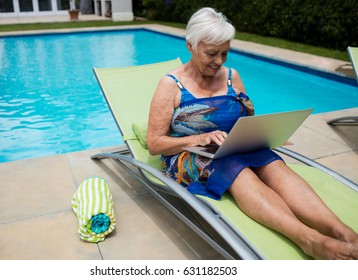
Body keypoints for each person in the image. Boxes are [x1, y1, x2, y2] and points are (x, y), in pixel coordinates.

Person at [146, 7, 358, 259]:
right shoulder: (170, 84)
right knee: (238, 170)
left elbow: (247, 118)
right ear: (190, 45)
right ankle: (311, 240)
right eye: (211, 53)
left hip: (235, 144)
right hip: (189, 154)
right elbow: (154, 144)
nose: (219, 61)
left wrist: (265, 134)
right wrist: (199, 138)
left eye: (225, 53)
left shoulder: (231, 77)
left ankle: (344, 233)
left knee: (275, 166)